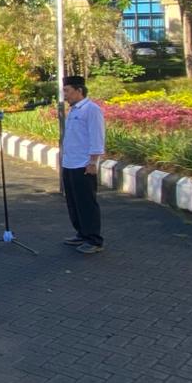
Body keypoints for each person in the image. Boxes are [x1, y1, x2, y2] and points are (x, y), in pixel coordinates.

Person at [61, 75, 106, 254]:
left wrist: (93, 162)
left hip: (83, 164)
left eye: (67, 91)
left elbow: (97, 137)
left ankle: (94, 240)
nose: (65, 95)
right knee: (73, 202)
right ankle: (81, 233)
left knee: (86, 203)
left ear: (79, 90)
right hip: (69, 163)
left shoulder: (91, 109)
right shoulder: (73, 110)